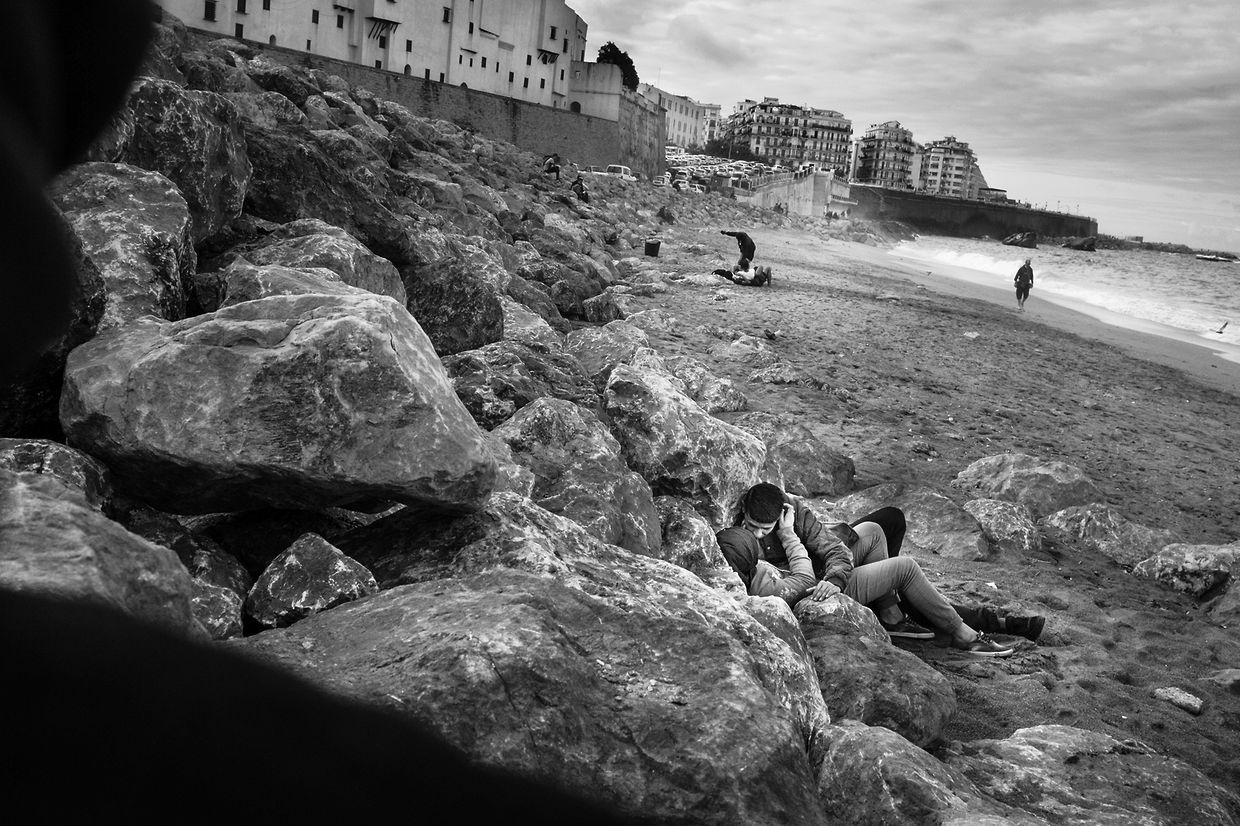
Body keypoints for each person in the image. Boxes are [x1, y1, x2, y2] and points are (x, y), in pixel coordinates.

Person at [716, 483, 1017, 657]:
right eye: (751, 526)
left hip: (823, 579)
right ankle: (965, 636)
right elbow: (798, 581)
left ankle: (890, 616)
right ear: (744, 513)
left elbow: (834, 550)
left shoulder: (794, 513)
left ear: (782, 513)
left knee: (873, 530)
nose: (756, 534)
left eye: (763, 529)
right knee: (906, 567)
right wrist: (790, 541)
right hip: (806, 590)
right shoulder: (739, 537)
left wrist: (834, 576)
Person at [848, 507, 1045, 641]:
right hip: (823, 576)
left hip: (823, 553)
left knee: (892, 519)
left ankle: (888, 598)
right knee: (904, 577)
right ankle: (984, 623)